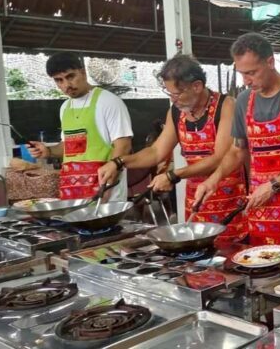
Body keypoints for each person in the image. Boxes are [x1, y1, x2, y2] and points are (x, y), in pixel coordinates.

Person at [194, 33, 280, 254]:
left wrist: (273, 186)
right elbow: (237, 151)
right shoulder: (244, 101)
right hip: (261, 215)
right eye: (242, 73)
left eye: (252, 72)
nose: (246, 80)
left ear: (270, 62)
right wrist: (213, 180)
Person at [98, 55, 247, 241]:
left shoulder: (226, 106)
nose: (173, 100)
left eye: (177, 94)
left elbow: (219, 157)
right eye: (170, 94)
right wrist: (119, 162)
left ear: (197, 86)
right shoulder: (176, 113)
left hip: (230, 199)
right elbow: (156, 152)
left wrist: (173, 175)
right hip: (196, 199)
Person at [29, 52, 132, 201]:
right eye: (59, 80)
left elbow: (123, 146)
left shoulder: (109, 102)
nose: (66, 85)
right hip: (73, 192)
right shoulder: (65, 108)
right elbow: (69, 146)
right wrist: (48, 151)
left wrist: (106, 186)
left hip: (104, 189)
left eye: (70, 76)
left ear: (83, 72)